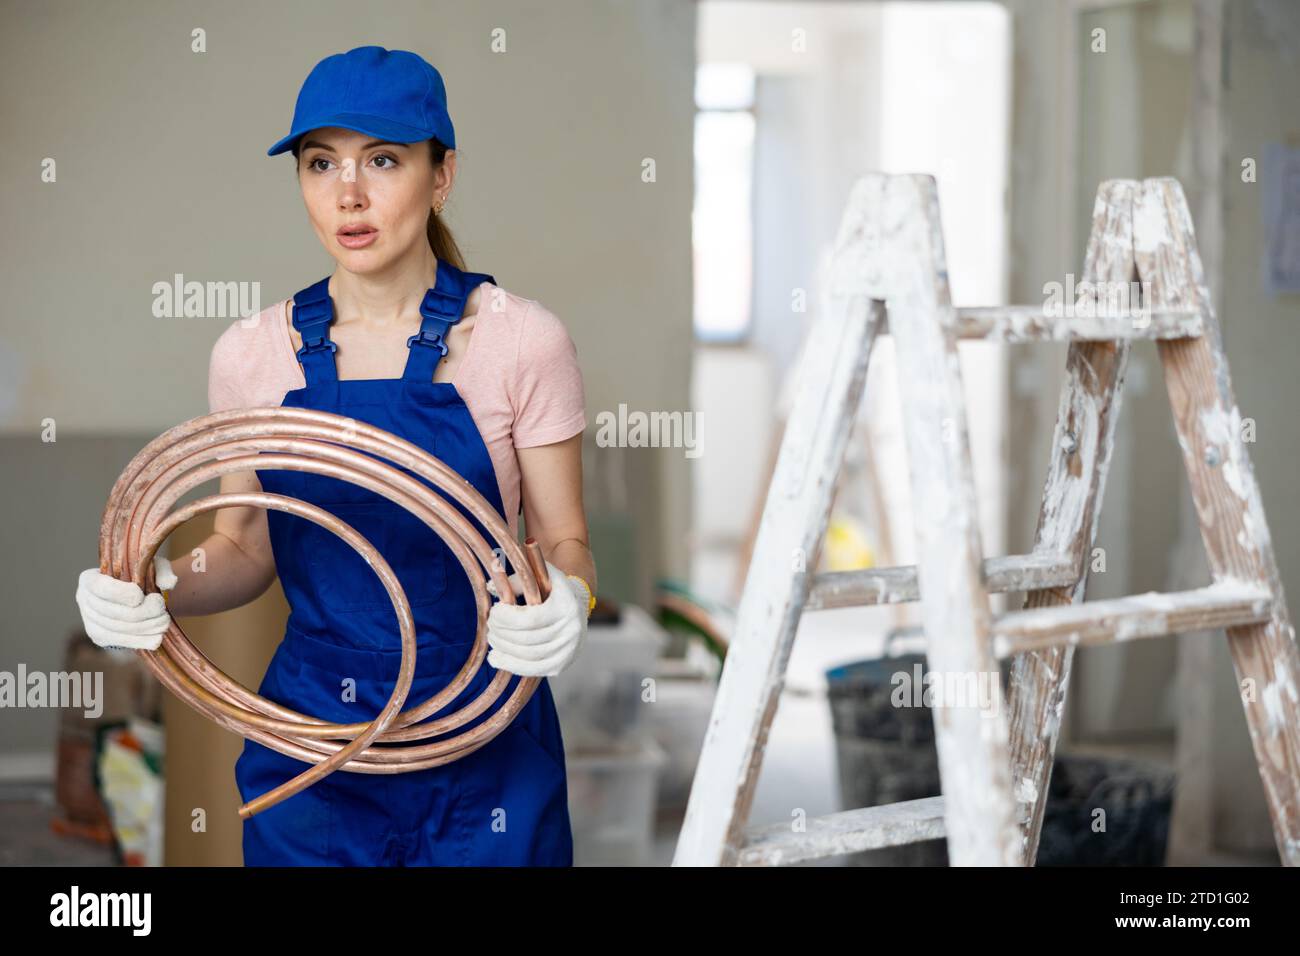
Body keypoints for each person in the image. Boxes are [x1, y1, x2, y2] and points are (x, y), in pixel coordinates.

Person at [74, 45, 596, 866]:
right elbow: (245, 546)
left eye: (382, 160)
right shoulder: (255, 353)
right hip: (314, 747)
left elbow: (565, 541)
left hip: (485, 745)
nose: (348, 194)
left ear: (442, 174)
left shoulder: (520, 342)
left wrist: (570, 598)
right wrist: (158, 585)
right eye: (321, 164)